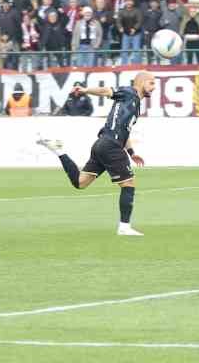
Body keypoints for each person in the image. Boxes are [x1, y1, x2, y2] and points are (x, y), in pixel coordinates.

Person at [38, 70, 155, 237]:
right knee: (128, 184)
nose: (154, 87)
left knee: (80, 182)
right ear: (141, 82)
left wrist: (131, 152)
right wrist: (85, 90)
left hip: (102, 144)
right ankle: (124, 227)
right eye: (151, 83)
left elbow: (125, 131)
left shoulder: (135, 103)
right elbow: (106, 91)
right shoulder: (129, 92)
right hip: (111, 145)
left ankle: (59, 150)